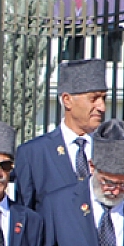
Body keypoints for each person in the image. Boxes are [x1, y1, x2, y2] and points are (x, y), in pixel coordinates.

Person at [14, 58, 107, 213]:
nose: (102, 107)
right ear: (67, 100)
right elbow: (26, 217)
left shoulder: (110, 148)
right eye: (94, 99)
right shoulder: (34, 154)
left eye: (104, 98)